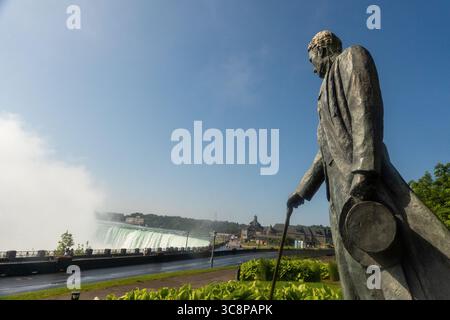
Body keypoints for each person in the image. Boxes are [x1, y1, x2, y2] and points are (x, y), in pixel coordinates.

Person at [287, 30, 450, 300]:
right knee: (352, 269)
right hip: (337, 196)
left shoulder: (351, 57)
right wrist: (302, 191)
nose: (312, 67)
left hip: (359, 183)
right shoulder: (322, 91)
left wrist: (363, 172)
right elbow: (324, 149)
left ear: (322, 49)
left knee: (382, 261)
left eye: (311, 58)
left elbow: (366, 112)